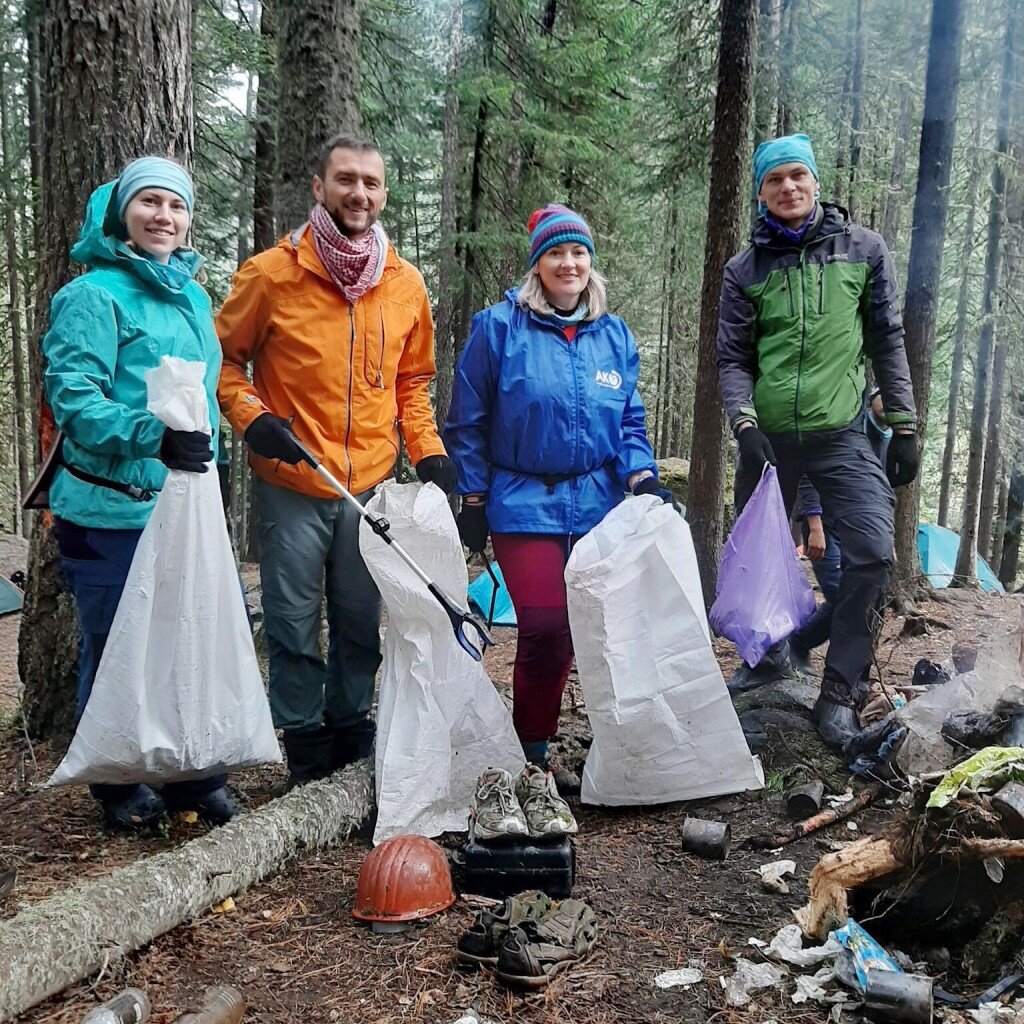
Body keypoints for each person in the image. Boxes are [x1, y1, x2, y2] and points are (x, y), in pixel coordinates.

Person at [217, 134, 455, 789]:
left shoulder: (403, 284)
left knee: (358, 618)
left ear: (383, 194)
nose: (359, 193)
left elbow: (412, 383)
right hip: (293, 481)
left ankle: (352, 734)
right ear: (319, 188)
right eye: (345, 180)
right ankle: (303, 744)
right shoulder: (271, 274)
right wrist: (253, 419)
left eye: (371, 183)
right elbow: (224, 364)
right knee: (292, 622)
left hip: (372, 486)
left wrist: (429, 454)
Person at [445, 204, 674, 787]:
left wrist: (641, 475)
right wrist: (472, 497)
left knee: (590, 626)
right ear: (537, 264)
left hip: (596, 503)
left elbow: (628, 422)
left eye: (577, 253)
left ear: (589, 262)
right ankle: (532, 752)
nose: (568, 263)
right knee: (545, 622)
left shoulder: (614, 336)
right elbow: (467, 420)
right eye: (555, 253)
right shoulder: (497, 327)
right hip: (521, 500)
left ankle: (597, 744)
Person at [43, 157, 237, 829]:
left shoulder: (190, 295)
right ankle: (119, 780)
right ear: (122, 212)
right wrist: (149, 436)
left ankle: (190, 772)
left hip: (182, 505)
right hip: (110, 506)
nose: (164, 216)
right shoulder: (93, 295)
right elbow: (73, 398)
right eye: (149, 202)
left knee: (184, 639)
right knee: (119, 644)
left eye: (176, 205)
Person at [717, 134, 919, 750]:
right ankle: (767, 655)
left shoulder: (863, 251)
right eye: (774, 180)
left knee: (874, 555)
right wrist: (745, 425)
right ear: (760, 191)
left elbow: (886, 338)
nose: (788, 188)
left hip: (842, 435)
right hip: (770, 441)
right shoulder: (744, 269)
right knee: (753, 561)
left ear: (816, 182)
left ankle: (839, 693)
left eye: (797, 175)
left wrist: (905, 425)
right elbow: (732, 358)